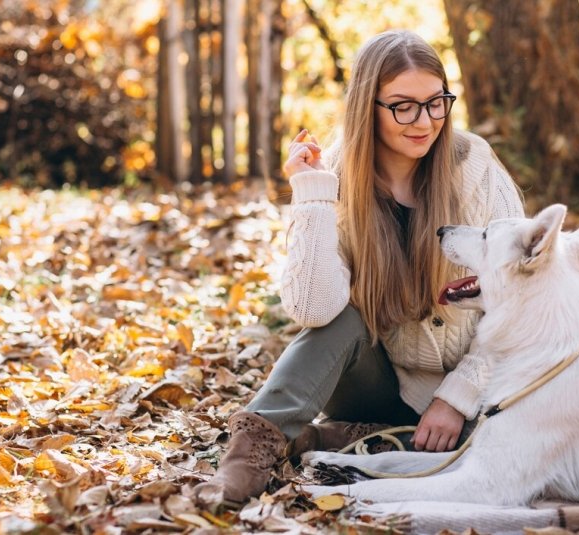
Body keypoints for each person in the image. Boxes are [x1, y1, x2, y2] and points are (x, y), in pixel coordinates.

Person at [193, 29, 524, 505]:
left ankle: (343, 440)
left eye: (436, 102)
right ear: (367, 107)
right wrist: (313, 195)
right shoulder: (338, 176)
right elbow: (313, 310)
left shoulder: (474, 167)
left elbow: (522, 294)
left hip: (481, 391)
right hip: (378, 383)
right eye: (403, 106)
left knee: (502, 445)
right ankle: (243, 466)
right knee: (342, 318)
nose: (424, 121)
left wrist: (457, 396)